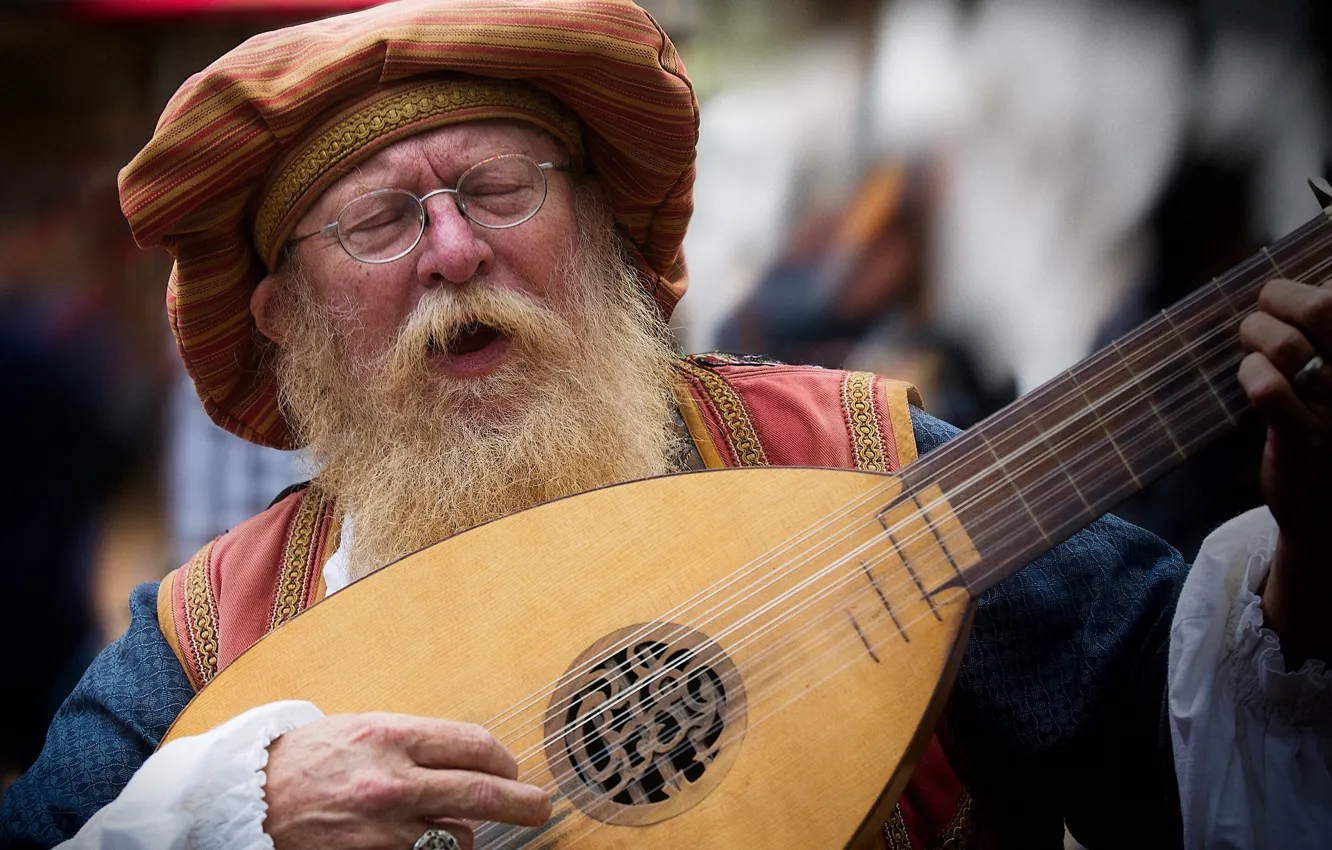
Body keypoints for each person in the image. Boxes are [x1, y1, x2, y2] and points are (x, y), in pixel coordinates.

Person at [3, 1, 1329, 848]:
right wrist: (240, 813)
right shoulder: (209, 633)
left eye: (498, 186)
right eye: (380, 220)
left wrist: (1310, 557)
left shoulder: (844, 457)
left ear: (599, 235)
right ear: (288, 315)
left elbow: (1184, 751)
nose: (455, 250)